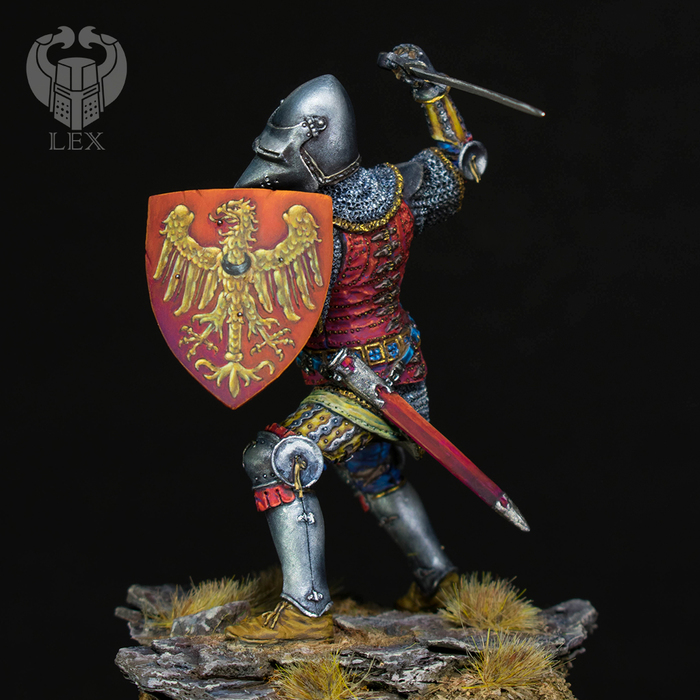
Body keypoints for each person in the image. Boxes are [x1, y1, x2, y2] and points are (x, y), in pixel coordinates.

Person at [224, 44, 488, 643]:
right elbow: (460, 161)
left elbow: (275, 309)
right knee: (373, 474)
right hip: (402, 367)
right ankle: (438, 577)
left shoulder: (310, 230)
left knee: (275, 459)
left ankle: (305, 610)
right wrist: (432, 92)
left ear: (313, 150)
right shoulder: (399, 188)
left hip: (358, 382)